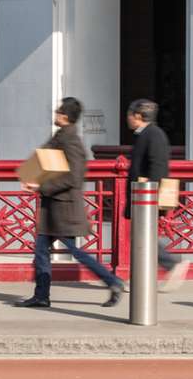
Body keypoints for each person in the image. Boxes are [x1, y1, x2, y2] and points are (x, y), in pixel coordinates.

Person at [17, 98, 125, 309]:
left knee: (75, 252)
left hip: (63, 207)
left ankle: (113, 281)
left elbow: (74, 177)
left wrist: (41, 187)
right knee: (41, 251)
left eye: (58, 112)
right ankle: (41, 295)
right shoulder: (62, 136)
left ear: (64, 116)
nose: (55, 114)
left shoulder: (70, 141)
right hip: (54, 206)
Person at [126, 98, 191, 290]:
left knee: (143, 237)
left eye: (129, 114)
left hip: (145, 196)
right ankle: (142, 277)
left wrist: (150, 190)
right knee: (142, 237)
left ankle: (170, 264)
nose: (127, 118)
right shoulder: (146, 134)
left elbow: (158, 165)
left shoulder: (152, 135)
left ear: (138, 115)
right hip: (142, 196)